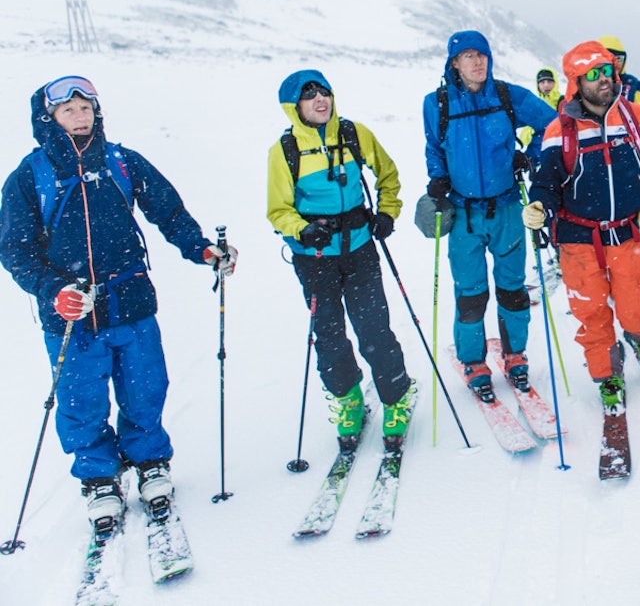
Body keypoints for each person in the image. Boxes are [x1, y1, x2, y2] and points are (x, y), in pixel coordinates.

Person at [0, 75, 236, 531]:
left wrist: (202, 248)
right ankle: (99, 478)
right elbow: (15, 250)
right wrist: (54, 290)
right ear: (48, 119)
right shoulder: (29, 177)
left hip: (130, 300)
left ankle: (150, 462)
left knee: (145, 387)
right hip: (72, 313)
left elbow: (167, 211)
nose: (80, 116)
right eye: (68, 110)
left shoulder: (121, 162)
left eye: (86, 108)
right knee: (80, 399)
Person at [522, 40, 640, 410]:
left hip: (629, 231)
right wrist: (538, 207)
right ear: (576, 82)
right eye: (592, 75)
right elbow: (546, 184)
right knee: (591, 313)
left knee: (639, 305)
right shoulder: (558, 131)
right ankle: (607, 373)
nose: (603, 80)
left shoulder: (639, 117)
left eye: (607, 71)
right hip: (579, 239)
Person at [267, 70, 414, 445]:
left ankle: (396, 397)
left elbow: (388, 175)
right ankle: (348, 400)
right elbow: (278, 209)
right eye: (310, 95)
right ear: (293, 107)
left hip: (361, 248)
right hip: (315, 257)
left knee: (374, 328)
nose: (320, 100)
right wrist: (301, 229)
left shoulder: (354, 134)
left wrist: (387, 213)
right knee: (329, 334)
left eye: (325, 92)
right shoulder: (283, 152)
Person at [423, 31, 557, 401]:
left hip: (508, 207)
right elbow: (434, 146)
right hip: (464, 213)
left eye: (481, 55)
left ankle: (515, 355)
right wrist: (438, 176)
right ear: (454, 63)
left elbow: (553, 123)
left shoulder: (506, 95)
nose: (477, 62)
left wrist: (529, 154)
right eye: (468, 56)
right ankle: (473, 361)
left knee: (513, 289)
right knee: (470, 294)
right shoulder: (437, 103)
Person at [598, 35, 640, 107]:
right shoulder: (586, 88)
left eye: (619, 59)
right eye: (609, 58)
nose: (615, 63)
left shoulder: (639, 89)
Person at [517, 67, 563, 149]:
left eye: (549, 81)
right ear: (538, 85)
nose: (546, 85)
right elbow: (524, 136)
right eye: (542, 82)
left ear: (555, 83)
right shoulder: (534, 105)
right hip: (535, 151)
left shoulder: (563, 103)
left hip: (555, 150)